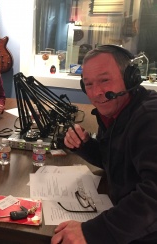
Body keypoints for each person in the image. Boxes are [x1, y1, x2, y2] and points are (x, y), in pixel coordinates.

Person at [51, 45, 157, 244]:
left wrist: (94, 233)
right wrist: (84, 145)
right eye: (88, 84)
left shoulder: (150, 118)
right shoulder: (115, 114)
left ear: (130, 78)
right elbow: (119, 163)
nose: (96, 92)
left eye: (104, 80)